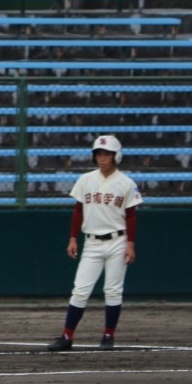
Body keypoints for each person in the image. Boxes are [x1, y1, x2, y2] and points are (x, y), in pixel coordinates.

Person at [48, 135, 143, 352]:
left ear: (116, 156)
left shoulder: (126, 183)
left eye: (107, 154)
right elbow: (78, 210)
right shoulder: (86, 180)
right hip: (91, 241)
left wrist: (131, 243)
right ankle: (67, 336)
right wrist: (73, 238)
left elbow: (131, 216)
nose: (102, 158)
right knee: (80, 289)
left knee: (112, 290)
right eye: (99, 154)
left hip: (117, 240)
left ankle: (108, 336)